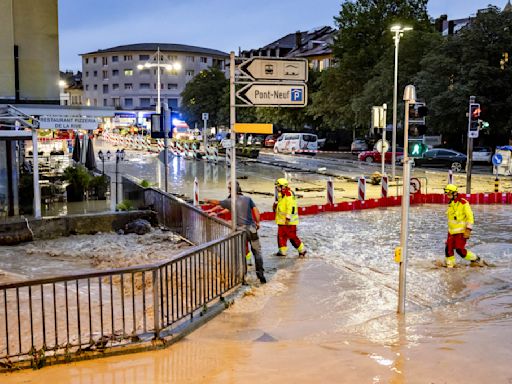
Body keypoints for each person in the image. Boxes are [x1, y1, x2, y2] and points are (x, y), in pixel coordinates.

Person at [205, 182, 266, 284]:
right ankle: (261, 275)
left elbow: (218, 203)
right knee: (257, 252)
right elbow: (256, 211)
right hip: (252, 228)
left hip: (240, 231)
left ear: (230, 190)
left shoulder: (231, 201)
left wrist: (208, 200)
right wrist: (258, 222)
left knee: (240, 253)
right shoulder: (248, 199)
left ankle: (243, 277)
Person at [443, 184, 482, 268]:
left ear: (455, 193)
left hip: (461, 232)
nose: (447, 196)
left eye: (449, 194)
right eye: (447, 194)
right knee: (448, 249)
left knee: (459, 250)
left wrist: (468, 230)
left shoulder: (464, 203)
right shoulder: (451, 203)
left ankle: (476, 259)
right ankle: (450, 267)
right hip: (451, 231)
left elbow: (470, 217)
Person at [273, 178, 306, 257]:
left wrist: (287, 218)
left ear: (283, 187)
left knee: (292, 237)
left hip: (289, 221)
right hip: (282, 221)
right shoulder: (282, 194)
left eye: (278, 187)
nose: (277, 188)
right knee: (281, 236)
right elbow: (281, 206)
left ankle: (302, 250)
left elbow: (291, 208)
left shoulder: (289, 195)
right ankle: (282, 251)